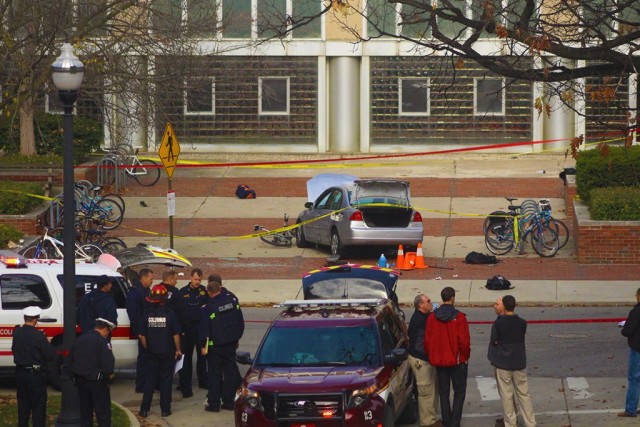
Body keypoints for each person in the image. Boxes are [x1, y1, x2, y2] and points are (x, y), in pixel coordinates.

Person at [425, 286, 470, 427]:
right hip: (457, 361)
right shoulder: (460, 317)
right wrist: (465, 357)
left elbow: (427, 340)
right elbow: (464, 341)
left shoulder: (432, 317)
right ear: (452, 298)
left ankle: (447, 420)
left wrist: (433, 355)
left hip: (439, 361)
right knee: (459, 392)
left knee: (444, 392)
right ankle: (455, 422)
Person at [488, 295, 536, 427]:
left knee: (507, 395)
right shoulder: (522, 323)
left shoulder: (498, 323)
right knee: (523, 394)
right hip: (519, 362)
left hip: (503, 364)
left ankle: (511, 422)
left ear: (504, 306)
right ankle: (530, 422)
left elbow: (493, 341)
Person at [199, 275, 245, 412]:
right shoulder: (232, 302)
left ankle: (214, 404)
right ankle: (228, 402)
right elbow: (240, 323)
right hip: (230, 344)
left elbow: (204, 329)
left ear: (209, 292)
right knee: (230, 373)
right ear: (220, 288)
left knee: (214, 375)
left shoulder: (209, 308)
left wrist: (203, 346)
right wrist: (237, 339)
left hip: (215, 347)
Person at [138, 284, 182, 418]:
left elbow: (141, 335)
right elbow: (176, 334)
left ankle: (144, 409)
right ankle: (165, 410)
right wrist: (178, 350)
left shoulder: (146, 314)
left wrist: (148, 348)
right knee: (166, 381)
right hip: (167, 353)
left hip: (151, 353)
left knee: (149, 381)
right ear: (164, 299)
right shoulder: (170, 314)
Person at [12, 306, 56, 427]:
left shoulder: (17, 333)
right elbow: (50, 355)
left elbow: (14, 350)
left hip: (20, 373)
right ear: (35, 319)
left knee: (23, 406)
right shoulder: (39, 336)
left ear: (25, 318)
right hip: (36, 375)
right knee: (38, 407)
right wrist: (48, 343)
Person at [70, 318, 117, 427]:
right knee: (103, 414)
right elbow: (109, 366)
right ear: (105, 329)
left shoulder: (80, 339)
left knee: (85, 413)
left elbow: (70, 360)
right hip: (98, 382)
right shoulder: (102, 342)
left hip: (81, 381)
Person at [408, 294, 442, 427]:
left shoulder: (423, 316)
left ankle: (432, 419)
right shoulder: (420, 319)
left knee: (432, 391)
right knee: (426, 392)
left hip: (426, 359)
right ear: (420, 305)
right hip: (420, 360)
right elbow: (434, 318)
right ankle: (427, 422)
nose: (430, 303)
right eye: (428, 301)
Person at [178, 268, 208, 397]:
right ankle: (185, 383)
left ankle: (203, 381)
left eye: (199, 280)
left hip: (200, 328)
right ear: (190, 278)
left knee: (202, 357)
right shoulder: (183, 292)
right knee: (187, 358)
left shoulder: (204, 292)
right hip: (188, 330)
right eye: (195, 279)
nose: (197, 282)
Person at [125, 267, 154, 393]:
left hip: (147, 329)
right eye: (151, 278)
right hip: (142, 330)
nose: (152, 281)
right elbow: (133, 313)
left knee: (147, 357)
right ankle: (141, 384)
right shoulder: (135, 292)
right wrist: (139, 330)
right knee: (143, 357)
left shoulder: (145, 290)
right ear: (144, 278)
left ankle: (146, 382)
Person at [619, 287, 640, 418]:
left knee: (634, 379)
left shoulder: (636, 312)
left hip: (638, 349)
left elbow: (627, 331)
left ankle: (631, 409)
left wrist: (623, 327)